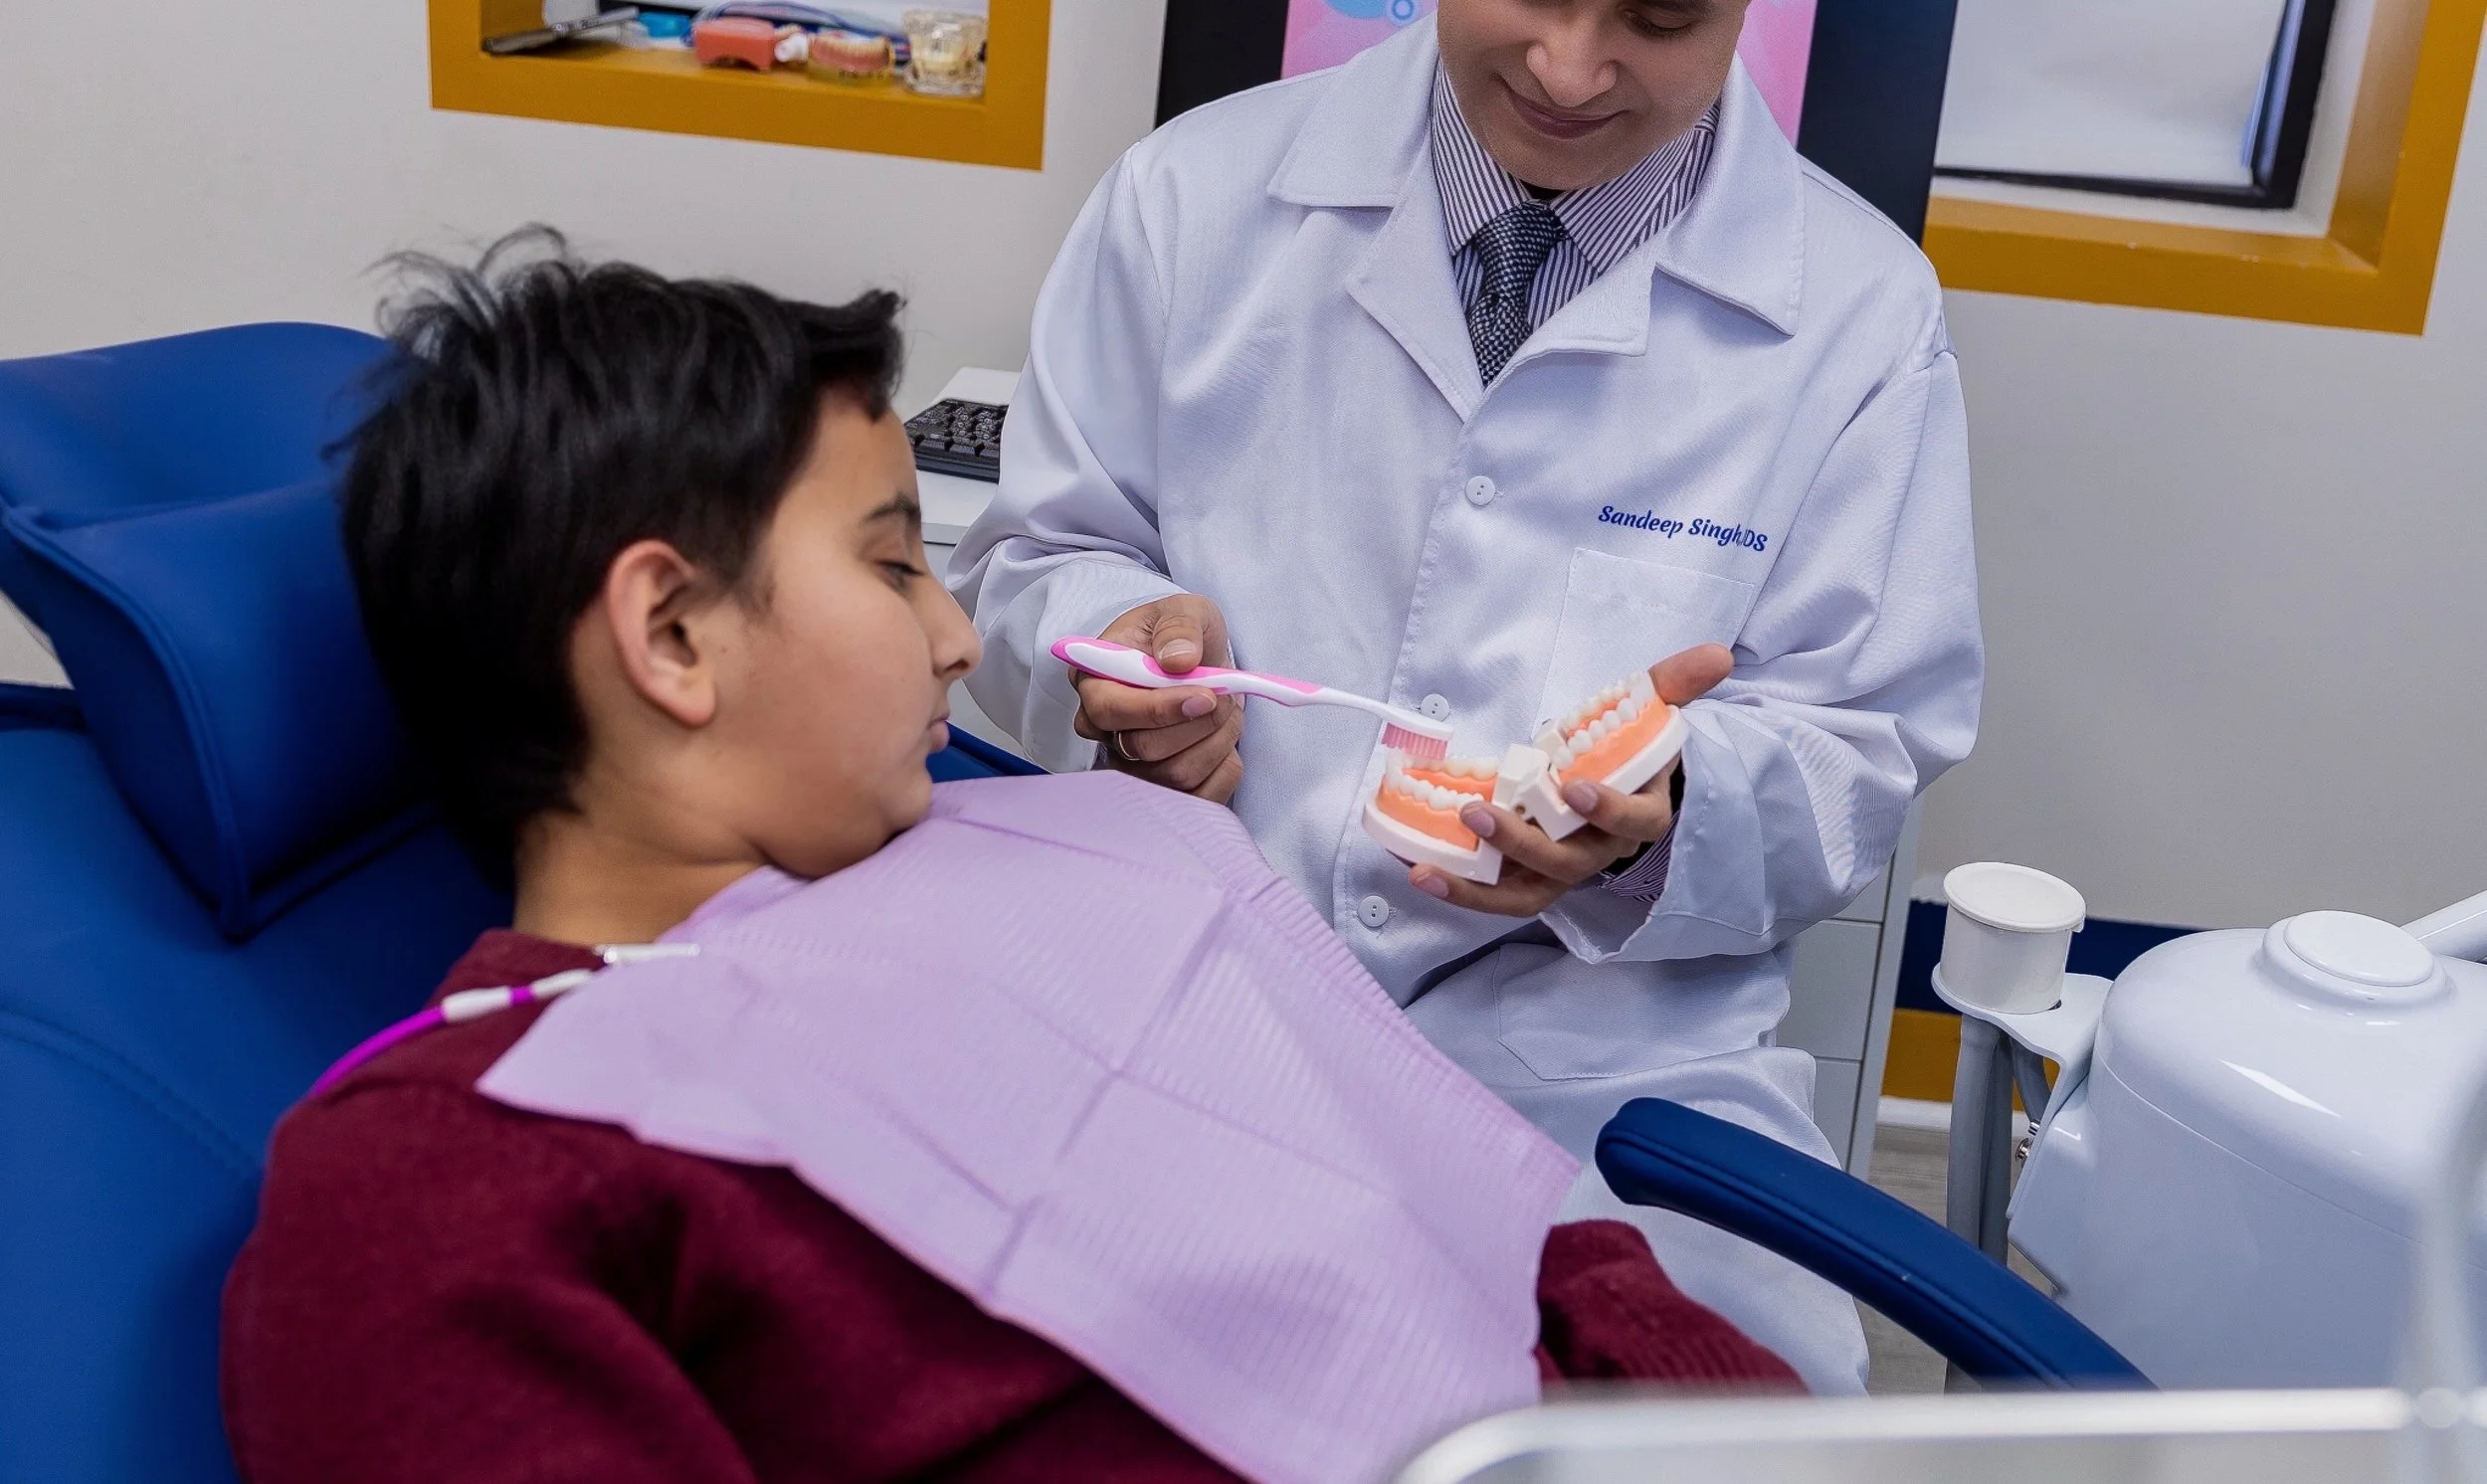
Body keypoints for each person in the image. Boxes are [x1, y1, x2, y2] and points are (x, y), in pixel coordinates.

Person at [220, 240, 1798, 1484]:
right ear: (675, 634)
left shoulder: (1096, 851)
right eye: (894, 562)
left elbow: (1515, 1241)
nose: (961, 637)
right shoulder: (451, 1175)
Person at [949, 0, 1985, 1390]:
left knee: (1733, 1413)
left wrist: (1663, 815)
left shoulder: (1859, 318)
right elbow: (1025, 563)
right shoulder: (1193, 206)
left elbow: (1863, 751)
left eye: (1664, 19)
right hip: (1199, 983)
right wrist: (1110, 655)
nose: (1573, 68)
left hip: (1607, 1072)